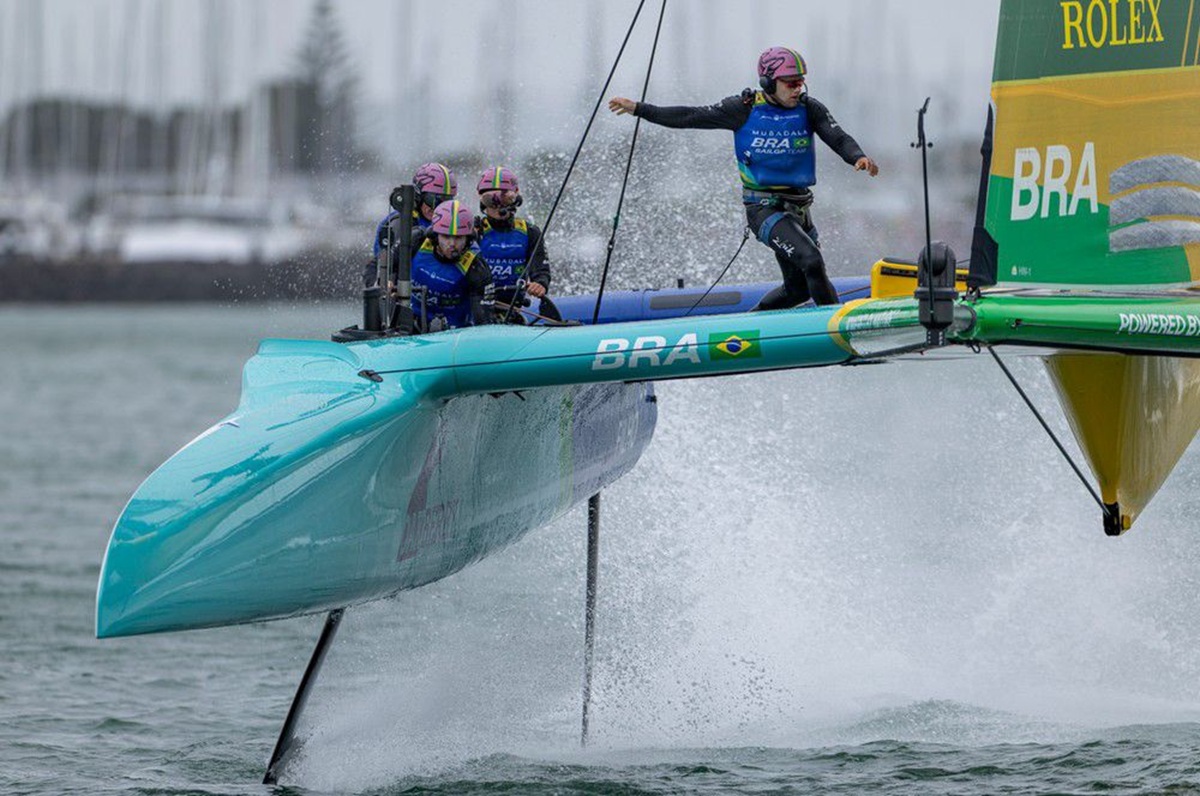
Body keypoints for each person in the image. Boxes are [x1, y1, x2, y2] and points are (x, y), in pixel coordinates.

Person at [608, 46, 879, 310]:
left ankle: (753, 322)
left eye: (801, 82)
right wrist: (639, 108)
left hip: (800, 209)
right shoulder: (743, 109)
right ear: (768, 83)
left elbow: (837, 136)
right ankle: (835, 327)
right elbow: (690, 116)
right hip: (764, 209)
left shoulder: (809, 109)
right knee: (811, 261)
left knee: (798, 290)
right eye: (791, 83)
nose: (798, 89)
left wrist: (857, 157)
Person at [474, 165, 560, 321]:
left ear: (516, 198)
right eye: (491, 199)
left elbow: (541, 270)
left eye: (505, 198)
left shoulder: (530, 232)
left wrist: (540, 284)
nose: (499, 206)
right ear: (482, 202)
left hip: (513, 310)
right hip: (478, 311)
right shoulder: (475, 231)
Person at [410, 199, 496, 331]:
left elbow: (483, 323)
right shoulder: (417, 241)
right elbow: (384, 271)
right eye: (446, 237)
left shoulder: (477, 267)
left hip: (453, 334)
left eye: (458, 238)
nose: (452, 244)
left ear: (468, 239)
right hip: (410, 324)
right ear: (435, 236)